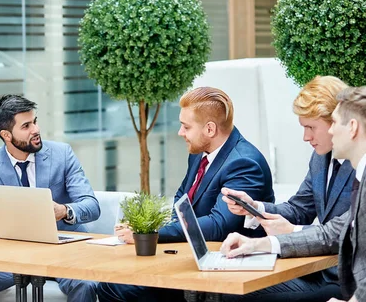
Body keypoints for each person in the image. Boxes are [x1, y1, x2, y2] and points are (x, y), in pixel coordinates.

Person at [97, 86, 274, 302]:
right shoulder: (201, 152)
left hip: (229, 269)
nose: (180, 133)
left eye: (186, 127)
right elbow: (183, 199)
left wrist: (151, 233)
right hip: (192, 257)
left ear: (210, 129)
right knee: (112, 282)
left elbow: (219, 225)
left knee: (115, 288)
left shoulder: (243, 163)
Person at [221, 86, 366, 302]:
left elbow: (337, 233)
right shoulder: (320, 159)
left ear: (350, 126)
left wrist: (289, 231)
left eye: (311, 127)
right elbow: (300, 208)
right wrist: (257, 208)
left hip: (340, 278)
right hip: (314, 270)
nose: (305, 137)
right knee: (230, 289)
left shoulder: (357, 164)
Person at [0, 94, 100, 302]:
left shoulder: (62, 154)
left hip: (63, 250)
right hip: (13, 255)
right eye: (26, 126)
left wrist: (64, 211)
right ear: (6, 135)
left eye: (35, 122)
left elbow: (91, 206)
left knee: (86, 284)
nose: (36, 130)